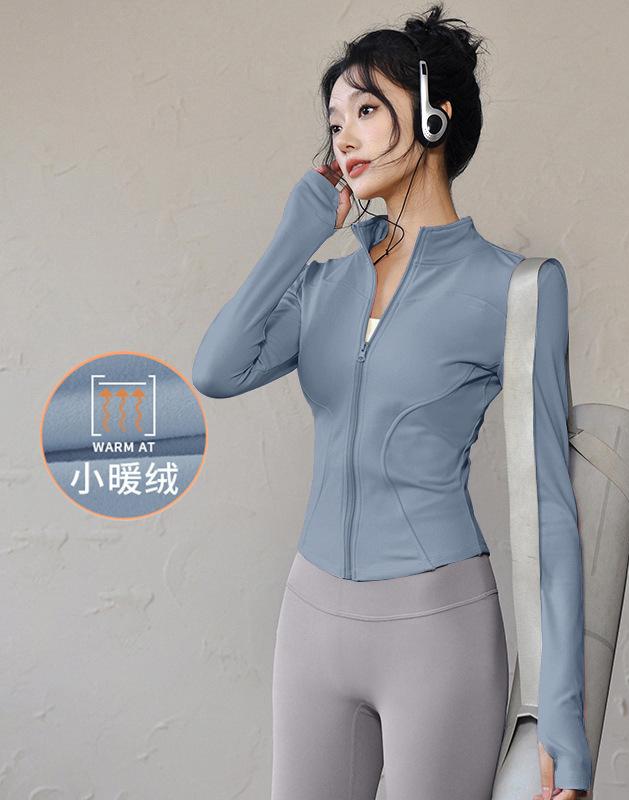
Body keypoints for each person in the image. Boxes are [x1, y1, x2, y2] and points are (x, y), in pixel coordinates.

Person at [191, 3, 591, 798]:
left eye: (367, 110)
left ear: (435, 118)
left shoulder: (517, 288)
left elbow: (551, 511)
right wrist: (299, 231)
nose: (343, 136)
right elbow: (215, 369)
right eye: (334, 121)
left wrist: (562, 719)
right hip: (310, 623)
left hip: (436, 631)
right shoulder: (323, 285)